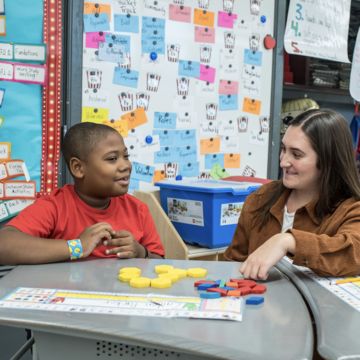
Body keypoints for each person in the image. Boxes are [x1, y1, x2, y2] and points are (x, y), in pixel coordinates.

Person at [0, 123, 165, 265]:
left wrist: (140, 252)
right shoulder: (55, 206)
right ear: (78, 168)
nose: (126, 165)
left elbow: (161, 262)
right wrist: (77, 247)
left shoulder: (138, 209)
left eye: (126, 156)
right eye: (112, 159)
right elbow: (4, 245)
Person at [224, 109, 360, 280]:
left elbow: (353, 253)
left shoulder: (351, 209)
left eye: (296, 154)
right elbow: (233, 263)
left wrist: (288, 241)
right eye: (283, 149)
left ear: (328, 160)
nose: (283, 162)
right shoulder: (260, 198)